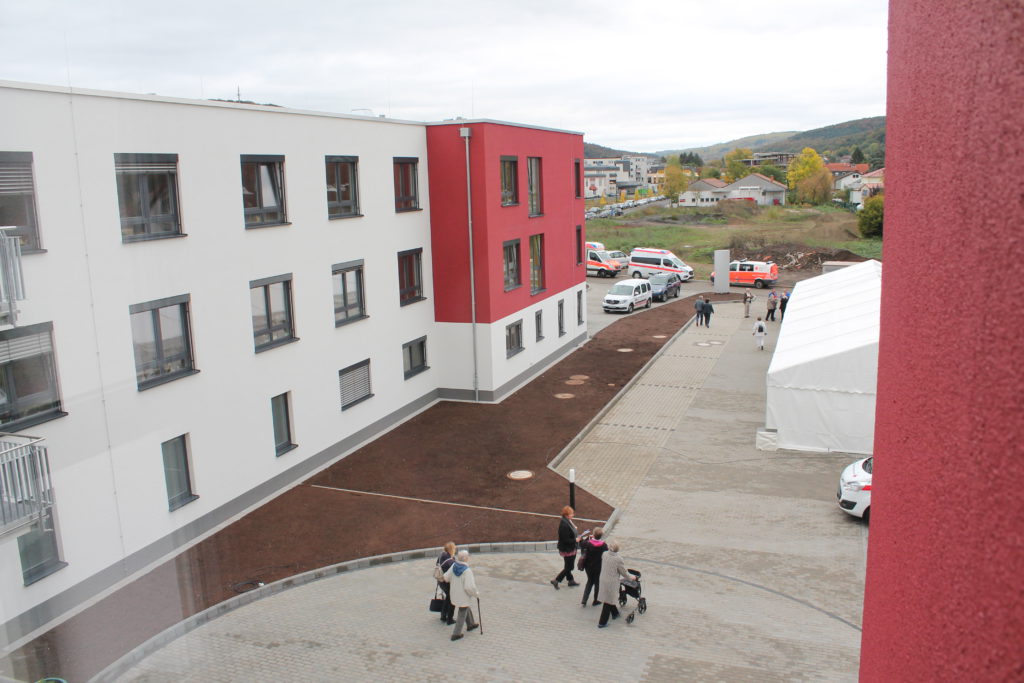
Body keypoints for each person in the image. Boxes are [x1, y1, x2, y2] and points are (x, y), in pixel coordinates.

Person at [444, 550, 480, 641]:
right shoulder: (467, 571)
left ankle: (471, 624)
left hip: (454, 594)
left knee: (465, 606)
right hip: (463, 595)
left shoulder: (453, 566)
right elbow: (469, 587)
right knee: (462, 612)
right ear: (466, 559)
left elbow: (446, 578)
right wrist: (476, 594)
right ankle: (456, 634)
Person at [596, 541, 632, 628]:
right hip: (611, 582)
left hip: (603, 579)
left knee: (609, 597)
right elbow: (623, 572)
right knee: (608, 601)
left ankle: (615, 613)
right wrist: (631, 578)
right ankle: (602, 622)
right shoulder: (618, 559)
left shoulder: (604, 554)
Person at [551, 505, 581, 589]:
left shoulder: (568, 521)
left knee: (568, 565)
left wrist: (574, 529)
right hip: (568, 549)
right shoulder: (564, 525)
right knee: (569, 567)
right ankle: (556, 580)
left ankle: (570, 580)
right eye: (571, 514)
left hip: (570, 548)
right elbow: (566, 540)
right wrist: (576, 540)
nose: (573, 515)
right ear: (566, 515)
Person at [579, 527, 608, 607]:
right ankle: (596, 600)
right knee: (597, 583)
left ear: (593, 535)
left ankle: (584, 600)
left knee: (589, 581)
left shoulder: (587, 543)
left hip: (588, 567)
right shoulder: (604, 546)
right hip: (598, 567)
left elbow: (581, 544)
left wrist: (587, 538)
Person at [435, 541, 457, 625]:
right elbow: (454, 572)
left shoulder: (441, 555)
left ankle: (443, 615)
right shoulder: (450, 561)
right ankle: (450, 619)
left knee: (447, 597)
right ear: (451, 549)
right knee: (452, 599)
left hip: (440, 580)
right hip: (447, 582)